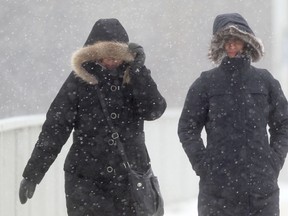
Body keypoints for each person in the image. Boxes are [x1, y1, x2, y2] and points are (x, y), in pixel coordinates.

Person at [19, 18, 166, 216]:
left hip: (129, 182)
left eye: (117, 55)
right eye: (105, 55)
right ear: (93, 56)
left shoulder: (134, 78)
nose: (112, 61)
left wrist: (139, 71)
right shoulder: (78, 82)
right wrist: (32, 174)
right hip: (86, 184)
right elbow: (55, 129)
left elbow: (154, 110)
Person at [178, 13, 288, 216]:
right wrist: (204, 166)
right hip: (218, 193)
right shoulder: (205, 83)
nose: (231, 46)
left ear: (247, 42)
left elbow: (283, 124)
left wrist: (273, 162)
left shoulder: (264, 80)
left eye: (236, 40)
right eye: (226, 41)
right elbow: (187, 128)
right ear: (218, 45)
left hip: (261, 192)